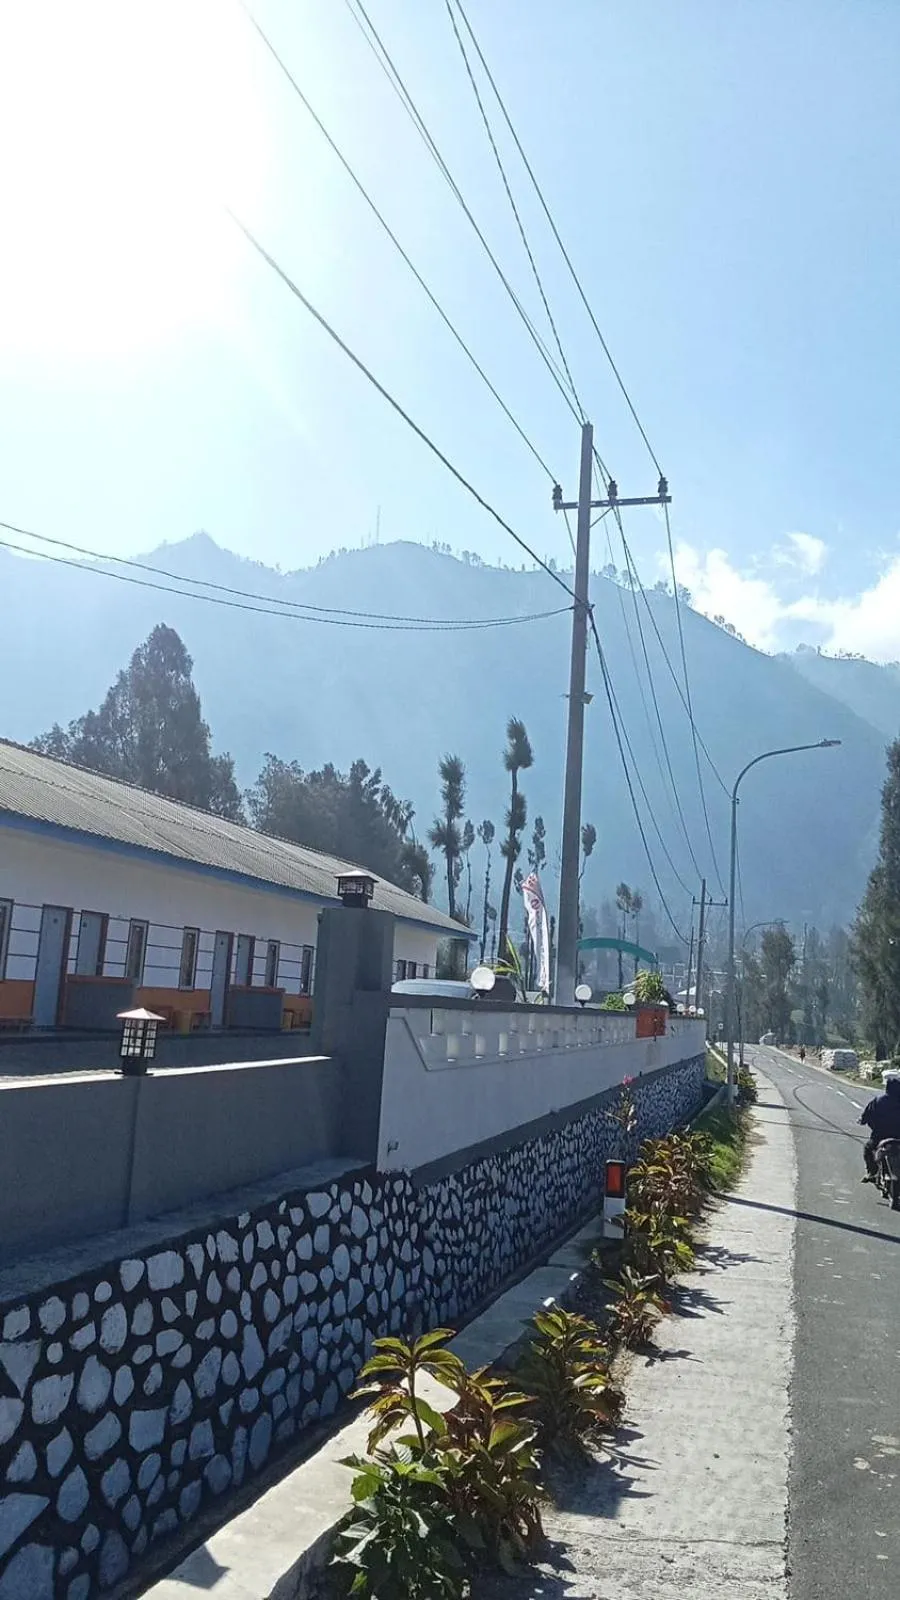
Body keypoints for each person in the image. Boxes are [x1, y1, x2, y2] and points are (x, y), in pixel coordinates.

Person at [859, 1077, 900, 1181]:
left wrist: (862, 1121)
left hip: (880, 1135)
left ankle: (872, 1172)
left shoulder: (878, 1101)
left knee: (868, 1149)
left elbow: (867, 1115)